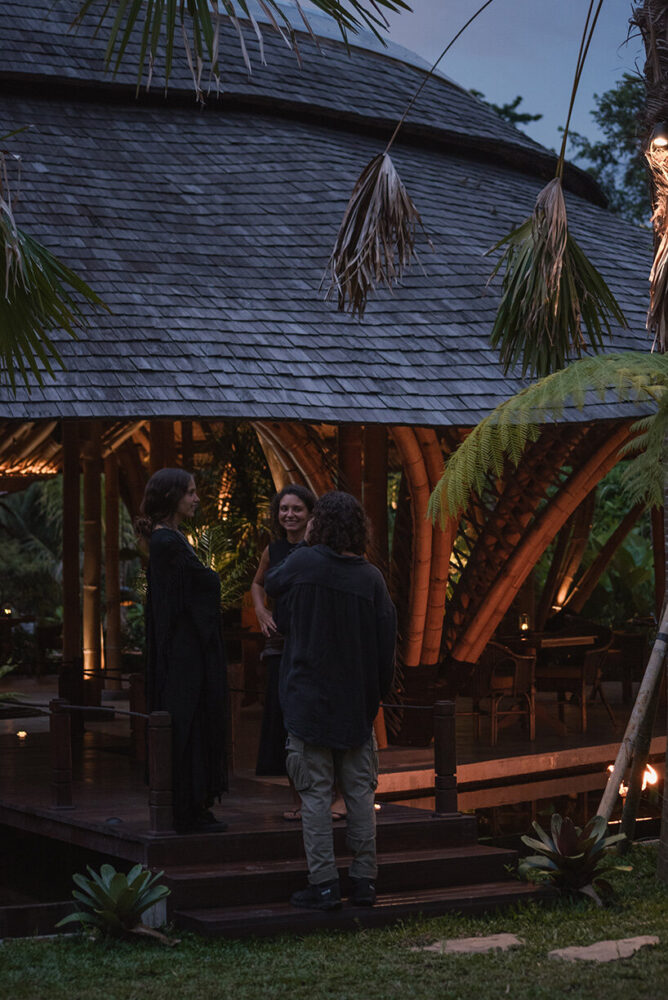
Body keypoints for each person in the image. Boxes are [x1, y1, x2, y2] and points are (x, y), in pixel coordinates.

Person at [265, 490, 396, 910]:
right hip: (355, 703)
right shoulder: (370, 578)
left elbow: (271, 582)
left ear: (317, 524)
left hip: (307, 700)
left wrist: (306, 543)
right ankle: (364, 881)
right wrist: (375, 694)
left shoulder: (303, 562)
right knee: (359, 792)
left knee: (315, 795)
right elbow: (385, 646)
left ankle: (323, 883)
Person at [137, 468, 228, 834]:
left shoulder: (174, 538)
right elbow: (196, 588)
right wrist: (210, 581)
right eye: (190, 492)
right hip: (183, 652)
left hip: (188, 648)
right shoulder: (166, 543)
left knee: (195, 719)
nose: (196, 498)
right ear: (172, 496)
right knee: (186, 720)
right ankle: (186, 808)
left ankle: (195, 803)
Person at [251, 483, 316, 780]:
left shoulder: (318, 550)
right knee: (277, 697)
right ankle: (274, 764)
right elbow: (258, 582)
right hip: (280, 635)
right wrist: (261, 611)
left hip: (309, 636)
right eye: (284, 509)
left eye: (297, 509)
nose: (289, 514)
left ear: (310, 514)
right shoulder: (273, 549)